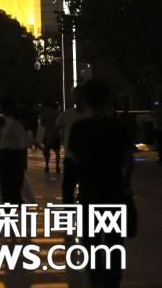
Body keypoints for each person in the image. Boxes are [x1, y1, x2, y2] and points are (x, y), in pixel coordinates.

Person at [68, 79, 134, 288]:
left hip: (90, 193)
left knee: (91, 240)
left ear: (85, 100)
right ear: (107, 100)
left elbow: (74, 161)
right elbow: (128, 161)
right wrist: (126, 185)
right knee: (114, 241)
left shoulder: (79, 128)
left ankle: (96, 279)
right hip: (114, 192)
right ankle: (113, 281)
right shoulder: (118, 127)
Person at [0, 97, 29, 204]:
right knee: (8, 193)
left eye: (0, 105)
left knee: (12, 193)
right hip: (5, 157)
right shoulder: (6, 122)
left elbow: (24, 139)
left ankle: (12, 210)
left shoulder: (13, 123)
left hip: (11, 158)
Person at [40, 104, 62, 173]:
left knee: (47, 151)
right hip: (56, 136)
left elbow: (42, 124)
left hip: (47, 135)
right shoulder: (57, 113)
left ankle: (47, 166)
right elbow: (60, 124)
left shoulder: (44, 113)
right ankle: (57, 166)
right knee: (57, 152)